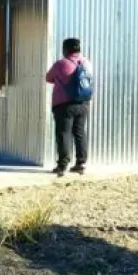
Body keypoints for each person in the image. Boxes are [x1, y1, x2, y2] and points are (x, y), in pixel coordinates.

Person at [45, 37, 94, 176]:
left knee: (64, 133)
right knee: (79, 132)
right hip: (83, 104)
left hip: (64, 105)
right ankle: (80, 164)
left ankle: (62, 165)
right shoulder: (87, 63)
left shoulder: (61, 64)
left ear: (65, 49)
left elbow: (48, 78)